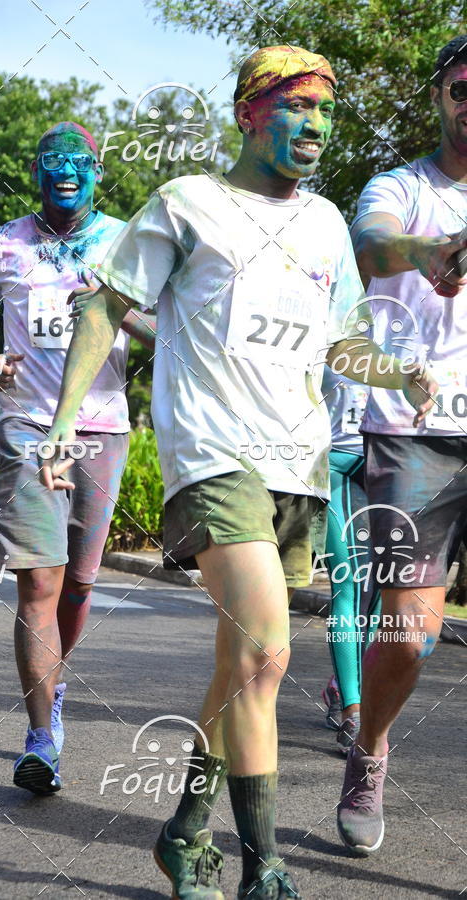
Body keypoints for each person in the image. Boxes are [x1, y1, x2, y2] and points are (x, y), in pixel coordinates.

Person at [41, 47, 434, 899]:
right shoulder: (188, 204)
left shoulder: (327, 223)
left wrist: (397, 372)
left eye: (326, 113)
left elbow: (341, 342)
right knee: (270, 647)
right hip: (212, 455)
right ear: (251, 113)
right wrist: (65, 420)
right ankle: (266, 867)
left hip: (298, 462)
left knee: (242, 664)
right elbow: (108, 305)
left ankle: (185, 831)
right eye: (298, 107)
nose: (317, 127)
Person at [0, 121, 155, 794]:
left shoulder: (128, 241)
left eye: (78, 161)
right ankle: (40, 737)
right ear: (35, 171)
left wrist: (116, 311)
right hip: (24, 426)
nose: (65, 170)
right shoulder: (0, 244)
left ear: (98, 169)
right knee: (38, 584)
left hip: (102, 429)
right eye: (52, 161)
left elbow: (167, 331)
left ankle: (55, 684)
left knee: (78, 584)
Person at [337, 34, 467, 856]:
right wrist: (427, 253)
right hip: (415, 436)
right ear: (441, 95)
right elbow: (370, 244)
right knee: (412, 630)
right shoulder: (400, 187)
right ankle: (370, 748)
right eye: (463, 85)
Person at [319, 368, 381, 755]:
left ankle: (342, 685)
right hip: (336, 464)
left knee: (378, 593)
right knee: (348, 585)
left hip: (391, 464)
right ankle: (354, 713)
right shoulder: (328, 316)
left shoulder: (412, 321)